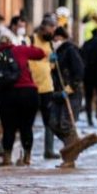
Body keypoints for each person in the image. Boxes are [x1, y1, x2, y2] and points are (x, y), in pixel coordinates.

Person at [0, 35, 46, 166]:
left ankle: (7, 158)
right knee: (26, 127)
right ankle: (27, 157)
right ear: (11, 42)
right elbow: (41, 54)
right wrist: (29, 45)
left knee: (8, 127)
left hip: (6, 95)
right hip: (28, 93)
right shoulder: (20, 49)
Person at [49, 27, 85, 168]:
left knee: (66, 123)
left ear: (61, 37)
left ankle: (70, 158)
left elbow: (79, 71)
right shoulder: (56, 52)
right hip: (57, 92)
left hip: (71, 92)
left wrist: (71, 88)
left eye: (56, 38)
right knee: (53, 123)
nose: (54, 41)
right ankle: (73, 143)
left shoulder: (71, 50)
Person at [30, 17, 60, 159]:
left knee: (49, 120)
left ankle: (49, 150)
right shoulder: (31, 40)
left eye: (53, 31)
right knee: (26, 120)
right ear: (43, 28)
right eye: (51, 30)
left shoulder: (50, 44)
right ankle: (26, 152)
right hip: (31, 86)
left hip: (47, 86)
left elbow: (52, 66)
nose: (52, 34)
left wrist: (53, 61)